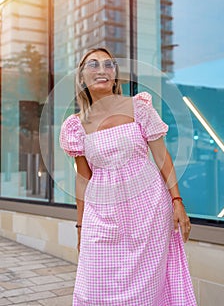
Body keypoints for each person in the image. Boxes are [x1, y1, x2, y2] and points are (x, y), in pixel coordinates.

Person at [60, 47, 197, 305]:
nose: (102, 70)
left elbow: (161, 157)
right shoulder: (75, 126)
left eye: (109, 64)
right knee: (95, 289)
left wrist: (177, 201)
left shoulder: (139, 107)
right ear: (81, 78)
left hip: (149, 211)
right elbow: (83, 179)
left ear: (115, 74)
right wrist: (81, 227)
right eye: (93, 65)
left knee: (147, 291)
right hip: (102, 215)